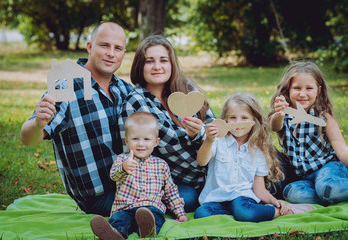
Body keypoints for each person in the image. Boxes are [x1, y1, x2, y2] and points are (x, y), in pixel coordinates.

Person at [20, 22, 133, 216]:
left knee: (185, 194)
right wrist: (38, 123)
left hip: (129, 184)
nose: (111, 53)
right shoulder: (67, 87)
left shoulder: (125, 89)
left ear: (123, 53)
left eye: (118, 48)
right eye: (104, 45)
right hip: (97, 197)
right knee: (159, 202)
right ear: (90, 47)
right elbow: (28, 138)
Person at [118, 35, 216, 212]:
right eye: (149, 61)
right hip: (176, 178)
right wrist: (198, 136)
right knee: (188, 198)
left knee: (269, 177)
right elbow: (172, 148)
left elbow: (213, 124)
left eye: (163, 60)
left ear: (172, 64)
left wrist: (202, 133)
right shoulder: (137, 103)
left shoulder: (185, 88)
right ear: (141, 66)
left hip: (215, 167)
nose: (157, 66)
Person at [194, 92, 315, 222]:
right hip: (216, 199)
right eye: (233, 118)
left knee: (244, 211)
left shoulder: (257, 150)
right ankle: (238, 215)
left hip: (242, 198)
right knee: (201, 214)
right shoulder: (218, 141)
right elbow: (201, 161)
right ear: (225, 119)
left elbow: (259, 189)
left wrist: (275, 201)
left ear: (254, 120)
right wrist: (209, 140)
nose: (238, 123)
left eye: (244, 118)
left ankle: (279, 212)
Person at [268, 61, 348, 205]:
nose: (302, 93)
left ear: (319, 90)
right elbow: (274, 126)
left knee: (325, 186)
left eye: (309, 88)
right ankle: (334, 195)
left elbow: (343, 151)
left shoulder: (324, 118)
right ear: (288, 90)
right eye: (297, 88)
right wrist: (278, 113)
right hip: (306, 178)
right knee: (291, 193)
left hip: (329, 169)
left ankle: (347, 188)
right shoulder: (285, 114)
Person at [90, 112, 187, 240]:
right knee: (120, 219)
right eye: (135, 139)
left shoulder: (161, 165)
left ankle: (148, 231)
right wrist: (124, 168)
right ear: (127, 140)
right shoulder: (122, 159)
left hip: (150, 207)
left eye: (146, 139)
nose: (141, 144)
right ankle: (115, 234)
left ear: (156, 142)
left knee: (155, 217)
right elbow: (114, 176)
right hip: (126, 207)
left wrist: (180, 212)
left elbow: (170, 192)